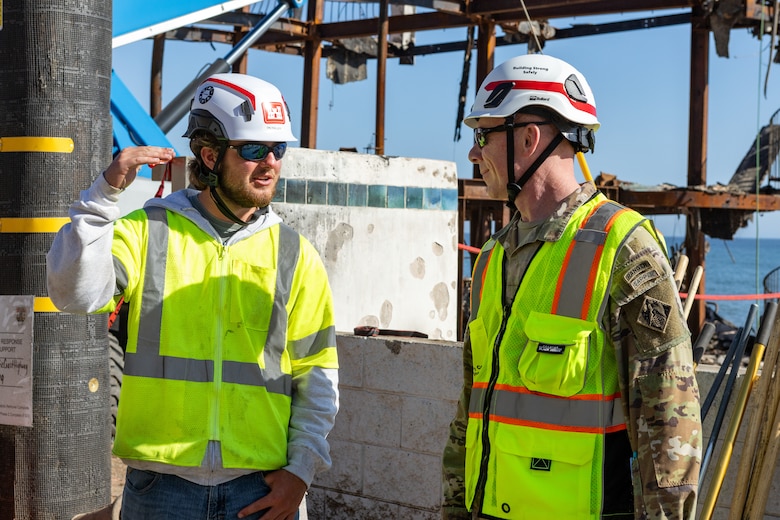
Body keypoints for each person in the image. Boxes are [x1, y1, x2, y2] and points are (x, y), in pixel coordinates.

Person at [47, 73, 339, 520]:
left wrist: (301, 473)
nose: (270, 164)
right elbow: (74, 293)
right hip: (161, 491)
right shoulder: (148, 231)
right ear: (209, 154)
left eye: (278, 149)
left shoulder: (295, 254)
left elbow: (317, 377)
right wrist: (103, 195)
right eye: (254, 149)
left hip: (260, 490)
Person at [441, 54, 701, 519]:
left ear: (528, 137)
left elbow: (669, 420)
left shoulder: (624, 247)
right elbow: (471, 410)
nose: (473, 153)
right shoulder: (493, 258)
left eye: (483, 134)